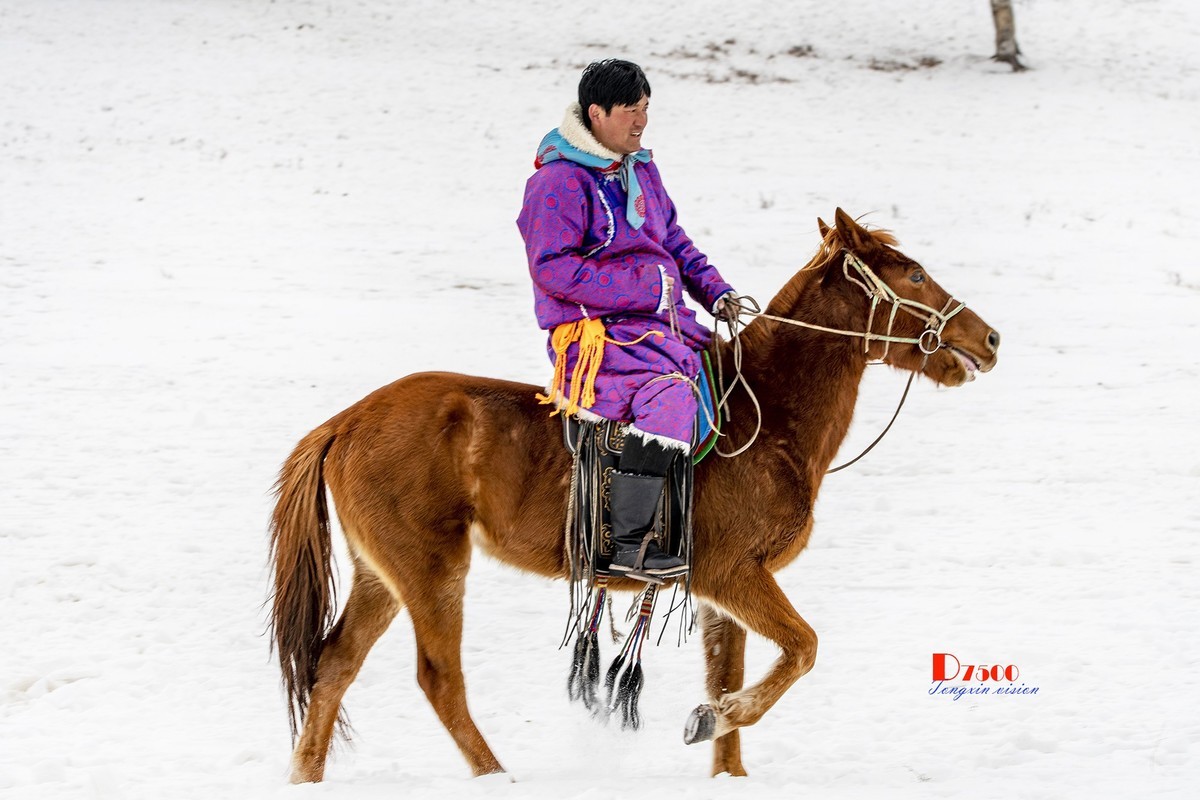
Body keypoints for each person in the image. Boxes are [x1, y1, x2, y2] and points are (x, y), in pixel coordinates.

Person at [517, 59, 737, 581]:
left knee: (731, 372)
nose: (641, 122)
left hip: (661, 324)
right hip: (593, 332)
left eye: (645, 110)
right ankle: (629, 542)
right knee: (670, 397)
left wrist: (716, 291)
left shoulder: (641, 170)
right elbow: (552, 269)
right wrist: (646, 289)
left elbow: (673, 241)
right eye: (630, 111)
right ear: (596, 114)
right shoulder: (558, 183)